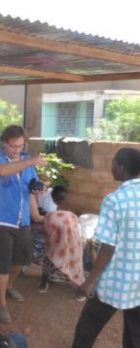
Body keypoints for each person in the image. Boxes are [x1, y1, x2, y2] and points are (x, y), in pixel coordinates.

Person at [72, 148, 140, 348]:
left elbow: (108, 248)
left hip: (116, 280)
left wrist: (89, 281)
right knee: (135, 333)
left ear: (121, 168)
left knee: (88, 324)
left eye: (113, 163)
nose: (111, 167)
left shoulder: (114, 201)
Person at [0, 125, 47, 323]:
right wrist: (29, 160)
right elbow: (3, 172)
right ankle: (1, 303)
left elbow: (29, 190)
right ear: (4, 143)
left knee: (20, 260)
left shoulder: (26, 162)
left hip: (23, 219)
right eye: (13, 146)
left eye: (20, 146)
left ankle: (10, 286)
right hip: (0, 218)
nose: (16, 150)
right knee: (3, 265)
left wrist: (37, 194)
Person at [38, 211, 85, 300]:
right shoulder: (72, 218)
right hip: (71, 245)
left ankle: (43, 285)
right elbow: (78, 234)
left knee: (48, 259)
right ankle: (80, 292)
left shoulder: (49, 216)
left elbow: (45, 231)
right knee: (76, 265)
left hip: (55, 245)